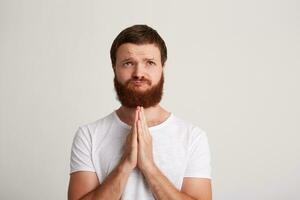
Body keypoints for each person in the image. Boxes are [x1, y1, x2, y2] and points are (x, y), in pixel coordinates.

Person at [68, 24, 212, 200]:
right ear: (114, 68)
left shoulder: (192, 137)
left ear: (162, 68)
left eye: (149, 63)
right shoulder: (88, 135)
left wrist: (149, 167)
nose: (138, 73)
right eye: (128, 63)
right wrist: (126, 164)